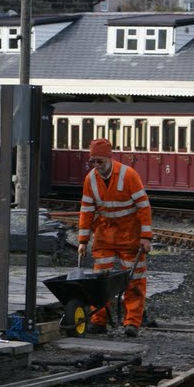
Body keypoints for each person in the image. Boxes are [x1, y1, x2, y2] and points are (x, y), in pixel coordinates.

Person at [77, 138, 153, 337]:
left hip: (130, 236)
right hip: (104, 236)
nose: (96, 166)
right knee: (100, 280)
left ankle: (132, 323)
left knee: (134, 280)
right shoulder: (90, 179)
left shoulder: (129, 175)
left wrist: (146, 237)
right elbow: (86, 210)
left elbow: (144, 208)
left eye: (99, 161)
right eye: (92, 161)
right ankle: (99, 321)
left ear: (110, 158)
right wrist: (83, 241)